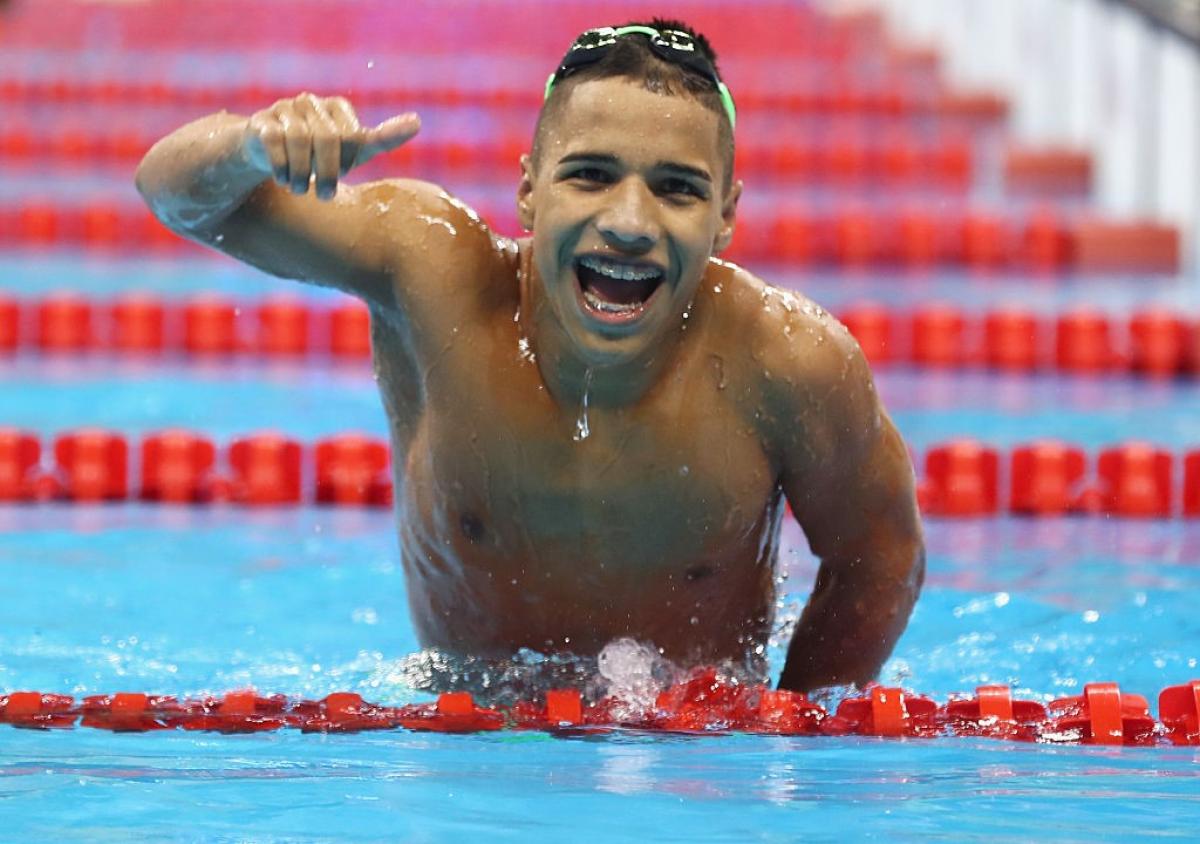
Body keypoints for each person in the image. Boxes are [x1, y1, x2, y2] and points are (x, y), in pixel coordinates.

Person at [136, 19, 925, 695]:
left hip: (692, 776)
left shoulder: (789, 363)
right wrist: (248, 146)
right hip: (462, 744)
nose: (628, 222)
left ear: (724, 216)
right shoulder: (430, 269)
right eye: (590, 175)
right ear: (528, 192)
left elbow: (882, 560)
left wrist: (784, 737)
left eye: (677, 189)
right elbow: (171, 191)